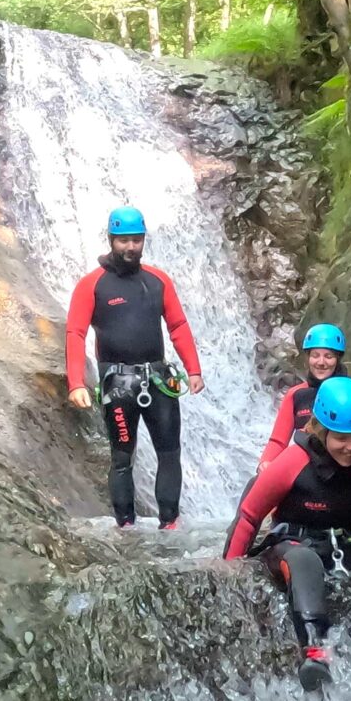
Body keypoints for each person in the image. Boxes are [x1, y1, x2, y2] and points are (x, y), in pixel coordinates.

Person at [224, 376, 351, 690]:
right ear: (321, 430)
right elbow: (249, 517)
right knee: (306, 559)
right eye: (342, 438)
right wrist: (229, 570)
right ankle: (314, 648)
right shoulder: (292, 462)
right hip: (290, 548)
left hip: (340, 551)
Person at [65, 206, 205, 529]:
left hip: (158, 380)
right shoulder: (93, 285)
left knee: (169, 452)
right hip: (118, 385)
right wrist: (76, 382)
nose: (131, 247)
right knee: (122, 458)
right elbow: (75, 332)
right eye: (124, 240)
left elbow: (178, 326)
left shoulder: (158, 281)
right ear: (111, 240)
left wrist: (193, 370)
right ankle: (125, 526)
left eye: (136, 240)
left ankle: (170, 522)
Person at [260, 324, 351, 480]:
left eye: (328, 356)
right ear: (307, 358)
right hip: (308, 476)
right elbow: (278, 441)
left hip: (346, 475)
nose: (321, 362)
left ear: (337, 359)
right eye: (315, 355)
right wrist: (265, 462)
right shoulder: (296, 395)